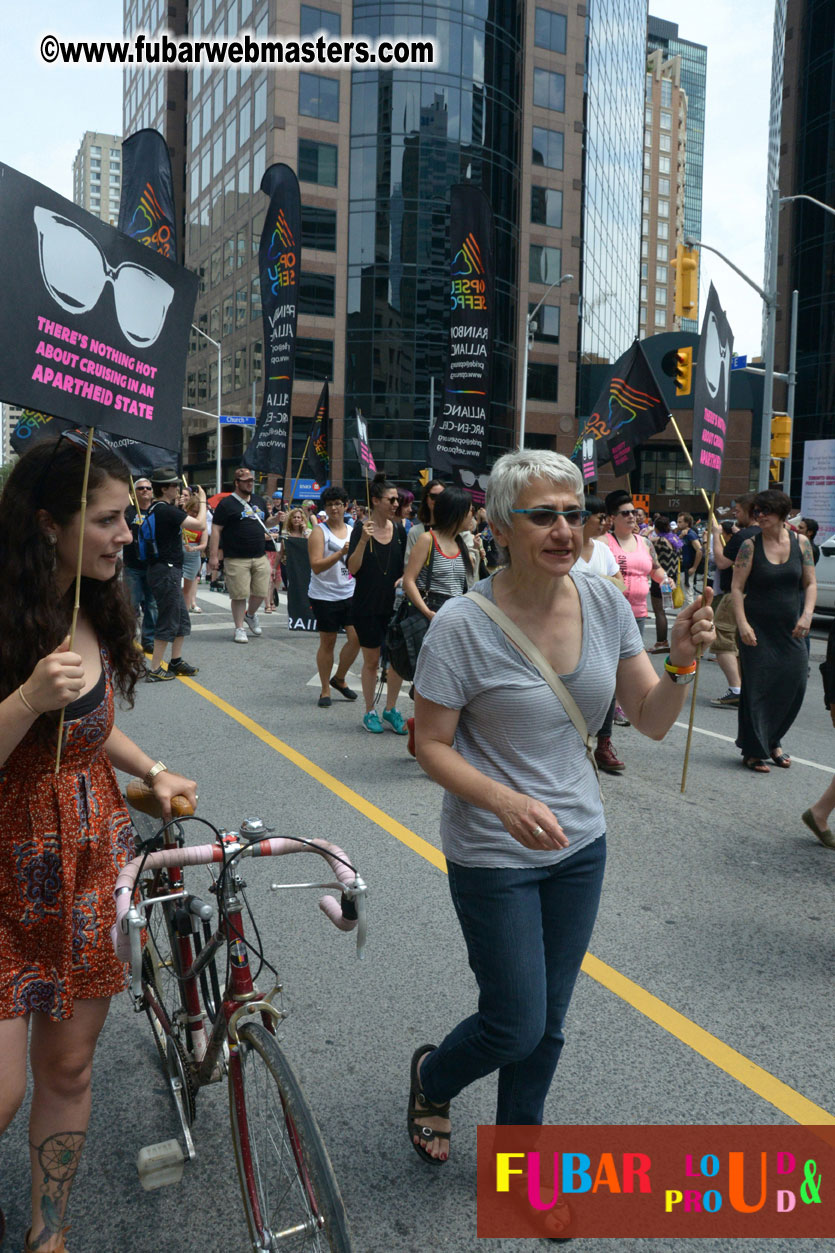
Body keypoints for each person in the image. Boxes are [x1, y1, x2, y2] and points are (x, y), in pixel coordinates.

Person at [408, 450, 714, 1190]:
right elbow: (429, 745)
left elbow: (646, 719)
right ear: (502, 525)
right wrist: (504, 801)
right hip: (491, 849)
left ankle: (520, 1165)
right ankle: (434, 1077)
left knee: (546, 1022)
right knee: (513, 1019)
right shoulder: (460, 624)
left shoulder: (605, 600)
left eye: (573, 513)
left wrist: (678, 665)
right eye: (542, 514)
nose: (563, 530)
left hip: (580, 844)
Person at [0, 435, 198, 1253]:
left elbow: (92, 725)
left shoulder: (95, 600)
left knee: (70, 1068)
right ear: (49, 525)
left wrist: (151, 767)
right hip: (5, 866)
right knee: (3, 1088)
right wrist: (23, 699)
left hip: (89, 858)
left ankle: (49, 1229)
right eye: (109, 518)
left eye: (129, 516)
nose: (129, 533)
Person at [730, 488, 816, 772]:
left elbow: (810, 584)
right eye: (757, 511)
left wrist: (807, 615)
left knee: (793, 687)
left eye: (766, 511)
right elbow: (737, 588)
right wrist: (742, 624)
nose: (760, 515)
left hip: (791, 629)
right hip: (757, 631)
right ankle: (755, 750)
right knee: (758, 689)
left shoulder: (801, 543)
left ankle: (774, 740)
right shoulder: (750, 546)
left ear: (783, 514)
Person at [346, 474, 408, 734]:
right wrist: (361, 541)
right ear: (376, 501)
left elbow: (407, 567)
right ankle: (369, 710)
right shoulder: (362, 529)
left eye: (397, 500)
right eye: (390, 499)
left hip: (394, 607)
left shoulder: (401, 531)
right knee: (371, 660)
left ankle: (390, 709)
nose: (396, 503)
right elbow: (352, 569)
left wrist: (406, 577)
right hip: (367, 605)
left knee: (397, 661)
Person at [603, 490, 669, 727]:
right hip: (611, 613)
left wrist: (666, 580)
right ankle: (605, 705)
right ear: (612, 518)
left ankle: (619, 706)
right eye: (626, 513)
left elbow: (655, 569)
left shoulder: (645, 543)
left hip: (639, 613)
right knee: (609, 661)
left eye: (634, 512)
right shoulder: (604, 542)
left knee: (627, 662)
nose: (632, 517)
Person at [573, 496, 627, 774]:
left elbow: (620, 585)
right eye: (600, 517)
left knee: (607, 685)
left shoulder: (603, 551)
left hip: (601, 629)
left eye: (607, 517)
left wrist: (597, 583)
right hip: (569, 630)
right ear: (583, 517)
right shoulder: (566, 550)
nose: (606, 522)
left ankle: (603, 743)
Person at [145, 468, 206, 681]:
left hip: (166, 569)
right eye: (174, 485)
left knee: (180, 618)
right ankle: (154, 669)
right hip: (166, 569)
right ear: (164, 488)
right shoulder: (164, 510)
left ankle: (176, 660)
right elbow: (199, 524)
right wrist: (204, 500)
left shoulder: (159, 508)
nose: (178, 489)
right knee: (168, 618)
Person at [308, 486, 360, 708]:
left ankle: (339, 678)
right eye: (330, 505)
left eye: (338, 504)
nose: (334, 508)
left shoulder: (353, 529)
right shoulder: (320, 531)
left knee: (357, 638)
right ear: (325, 508)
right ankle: (325, 689)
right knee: (327, 642)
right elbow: (316, 566)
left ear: (345, 505)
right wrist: (340, 553)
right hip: (324, 595)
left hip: (349, 592)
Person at [208, 467, 272, 644]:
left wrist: (276, 520)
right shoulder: (227, 504)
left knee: (260, 591)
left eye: (252, 480)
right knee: (239, 595)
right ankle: (239, 627)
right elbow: (216, 529)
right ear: (237, 483)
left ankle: (250, 615)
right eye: (246, 481)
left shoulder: (258, 500)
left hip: (259, 554)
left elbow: (265, 522)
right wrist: (213, 555)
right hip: (236, 557)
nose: (250, 483)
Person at [708, 494, 760, 708]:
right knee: (743, 643)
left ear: (750, 511)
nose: (734, 515)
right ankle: (746, 689)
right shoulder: (767, 535)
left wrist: (715, 536)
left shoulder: (744, 537)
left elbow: (721, 562)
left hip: (736, 594)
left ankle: (736, 689)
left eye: (738, 511)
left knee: (722, 639)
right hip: (758, 595)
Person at [122, 477, 157, 654]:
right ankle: (129, 640)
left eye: (148, 488)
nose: (145, 491)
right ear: (134, 493)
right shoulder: (127, 512)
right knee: (132, 604)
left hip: (152, 565)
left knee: (152, 605)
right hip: (132, 566)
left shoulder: (156, 511)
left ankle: (149, 640)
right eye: (141, 488)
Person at [646, 515, 681, 656]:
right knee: (663, 610)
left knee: (659, 611)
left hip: (660, 579)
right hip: (672, 577)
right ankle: (663, 641)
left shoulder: (658, 541)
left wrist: (649, 531)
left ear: (656, 527)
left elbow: (645, 541)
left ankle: (661, 642)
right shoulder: (675, 539)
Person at [181, 490, 208, 613]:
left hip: (193, 557)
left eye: (198, 512)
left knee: (187, 589)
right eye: (193, 511)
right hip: (179, 555)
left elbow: (204, 544)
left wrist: (193, 548)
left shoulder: (202, 525)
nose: (195, 514)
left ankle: (185, 613)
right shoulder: (182, 519)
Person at [405, 479, 446, 558]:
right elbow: (409, 564)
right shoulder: (415, 532)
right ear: (426, 499)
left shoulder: (456, 530)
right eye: (433, 496)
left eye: (442, 496)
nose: (437, 500)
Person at [676, 512, 703, 604]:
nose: (678, 524)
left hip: (687, 568)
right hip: (681, 567)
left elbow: (699, 550)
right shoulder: (680, 533)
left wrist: (694, 567)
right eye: (678, 522)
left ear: (687, 523)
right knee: (683, 594)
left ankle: (689, 615)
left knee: (687, 594)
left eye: (680, 522)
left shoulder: (690, 534)